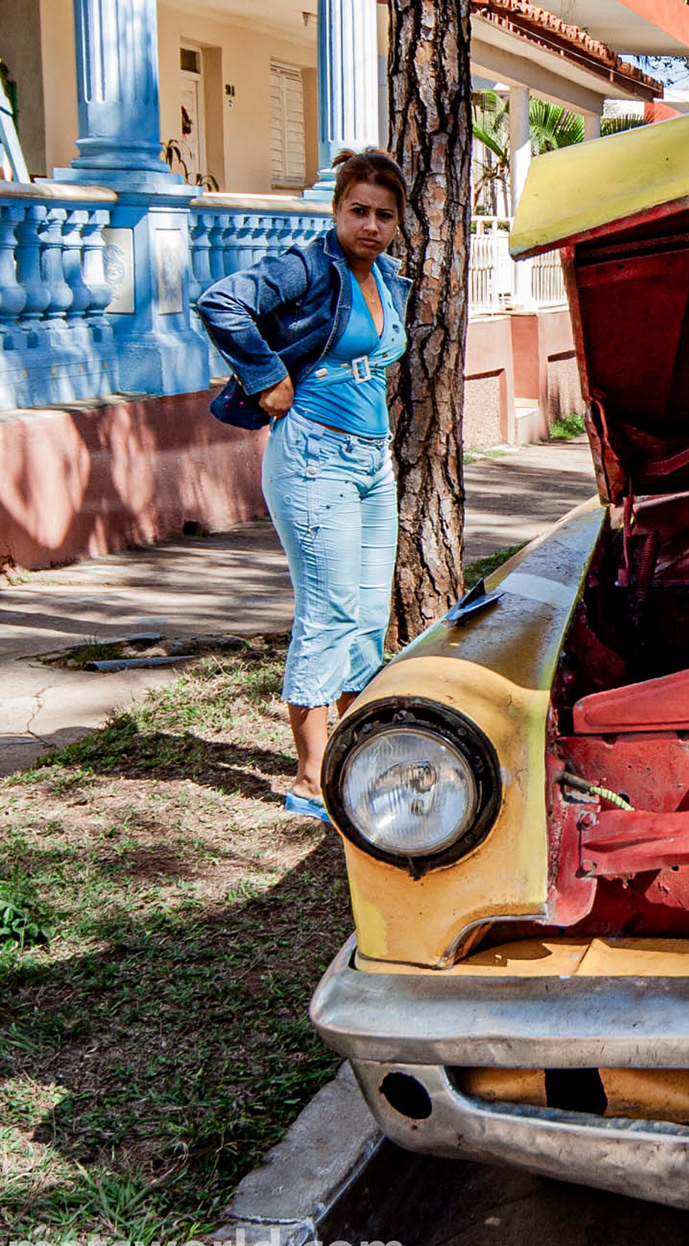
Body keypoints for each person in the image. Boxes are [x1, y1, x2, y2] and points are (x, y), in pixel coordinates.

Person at [197, 149, 412, 823]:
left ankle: (359, 757)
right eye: (358, 212)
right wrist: (264, 376)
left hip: (373, 462)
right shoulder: (309, 267)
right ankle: (312, 780)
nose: (370, 226)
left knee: (369, 616)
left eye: (384, 214)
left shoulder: (388, 278)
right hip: (313, 456)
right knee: (328, 613)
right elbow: (222, 302)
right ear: (336, 210)